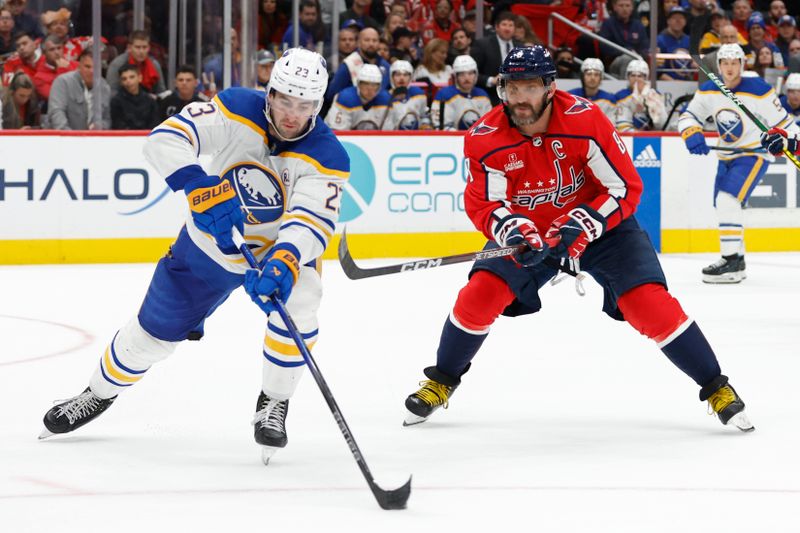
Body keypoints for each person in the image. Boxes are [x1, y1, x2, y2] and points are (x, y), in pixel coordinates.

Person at [402, 45, 754, 434]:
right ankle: (441, 380)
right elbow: (485, 203)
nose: (518, 98)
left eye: (529, 87)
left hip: (602, 229)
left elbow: (624, 187)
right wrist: (515, 230)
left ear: (550, 87)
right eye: (511, 88)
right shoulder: (485, 137)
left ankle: (717, 387)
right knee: (481, 293)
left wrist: (585, 223)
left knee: (648, 306)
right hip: (531, 232)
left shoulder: (585, 119)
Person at [40, 48, 350, 467]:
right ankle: (96, 393)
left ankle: (274, 401)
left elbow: (311, 220)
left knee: (299, 310)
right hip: (207, 247)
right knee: (151, 334)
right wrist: (196, 184)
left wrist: (286, 258)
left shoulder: (329, 156)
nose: (293, 114)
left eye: (305, 105)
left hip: (274, 257)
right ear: (270, 91)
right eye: (284, 100)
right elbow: (167, 137)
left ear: (318, 104)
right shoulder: (238, 106)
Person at [678, 44, 797, 283]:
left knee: (727, 200)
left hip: (753, 155)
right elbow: (689, 115)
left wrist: (792, 140)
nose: (729, 68)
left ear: (742, 65)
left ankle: (730, 260)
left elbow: (786, 124)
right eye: (725, 63)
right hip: (726, 156)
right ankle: (738, 261)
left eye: (734, 63)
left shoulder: (759, 90)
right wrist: (691, 132)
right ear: (719, 65)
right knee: (724, 206)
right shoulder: (709, 89)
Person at [47, 48, 111, 130]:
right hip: (64, 139)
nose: (92, 71)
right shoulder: (63, 82)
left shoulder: (105, 87)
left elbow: (107, 119)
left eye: (96, 67)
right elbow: (56, 113)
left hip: (92, 140)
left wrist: (100, 126)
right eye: (87, 67)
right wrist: (70, 137)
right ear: (79, 66)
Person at [430, 55, 491, 130]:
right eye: (462, 74)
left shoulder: (483, 95)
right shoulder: (444, 95)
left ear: (476, 74)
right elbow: (441, 127)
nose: (467, 78)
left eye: (470, 73)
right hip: (452, 140)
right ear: (455, 76)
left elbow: (489, 125)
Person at [325, 63, 391, 130]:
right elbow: (337, 131)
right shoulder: (345, 98)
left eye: (374, 85)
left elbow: (389, 132)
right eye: (365, 84)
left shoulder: (386, 100)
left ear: (379, 87)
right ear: (358, 84)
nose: (370, 89)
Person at [106, 30, 166, 95]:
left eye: (144, 47)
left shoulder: (154, 64)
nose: (141, 51)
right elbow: (112, 92)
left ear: (149, 48)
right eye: (137, 47)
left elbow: (161, 92)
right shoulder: (117, 64)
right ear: (129, 47)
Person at [614, 59, 666, 132]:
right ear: (628, 77)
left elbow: (662, 124)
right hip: (629, 137)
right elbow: (622, 126)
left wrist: (650, 103)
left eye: (640, 76)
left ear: (645, 78)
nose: (636, 79)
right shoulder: (621, 96)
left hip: (652, 136)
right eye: (633, 75)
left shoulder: (654, 95)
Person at [381, 60, 430, 130]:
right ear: (391, 77)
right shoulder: (384, 98)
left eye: (405, 75)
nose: (401, 78)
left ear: (411, 77)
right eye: (398, 75)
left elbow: (424, 115)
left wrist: (425, 125)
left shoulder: (419, 94)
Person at [111, 63, 160, 130]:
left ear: (140, 78)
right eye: (124, 79)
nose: (128, 81)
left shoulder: (150, 101)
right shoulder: (116, 102)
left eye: (132, 77)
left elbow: (155, 123)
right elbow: (118, 125)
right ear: (121, 82)